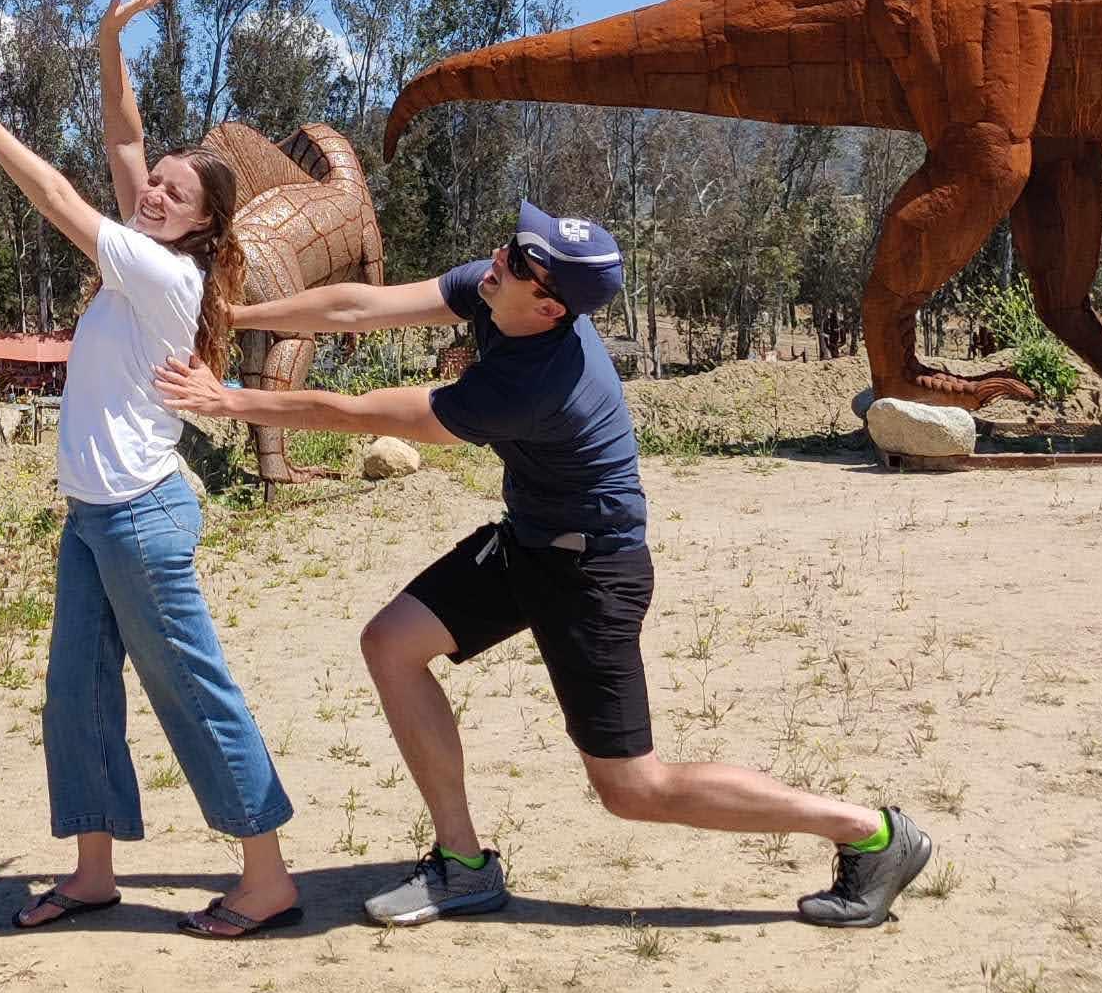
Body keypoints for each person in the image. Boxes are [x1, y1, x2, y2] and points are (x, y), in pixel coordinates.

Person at [152, 201, 932, 931]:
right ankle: (462, 865)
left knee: (633, 789)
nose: (497, 258)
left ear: (550, 305)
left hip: (594, 572)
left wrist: (229, 401)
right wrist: (238, 315)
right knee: (392, 643)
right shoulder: (500, 290)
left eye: (520, 259)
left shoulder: (532, 383)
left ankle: (871, 833)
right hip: (532, 540)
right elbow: (360, 305)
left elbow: (356, 413)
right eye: (512, 244)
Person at [0, 0, 300, 939]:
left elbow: (61, 195)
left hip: (140, 517)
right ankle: (92, 873)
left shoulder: (160, 271)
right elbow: (122, 138)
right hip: (93, 516)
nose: (154, 190)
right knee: (78, 694)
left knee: (191, 689)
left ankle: (266, 876)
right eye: (158, 182)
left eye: (176, 192)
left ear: (202, 226)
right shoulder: (148, 245)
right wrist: (107, 43)